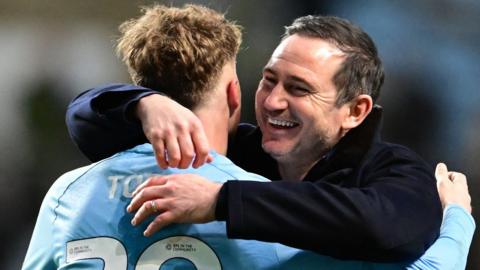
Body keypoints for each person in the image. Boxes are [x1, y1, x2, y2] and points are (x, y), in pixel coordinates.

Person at [25, 4, 475, 269]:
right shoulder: (236, 149)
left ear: (355, 112)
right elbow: (85, 116)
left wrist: (222, 201)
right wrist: (143, 103)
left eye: (298, 89)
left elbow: (382, 227)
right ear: (237, 90)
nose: (274, 101)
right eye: (269, 80)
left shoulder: (393, 172)